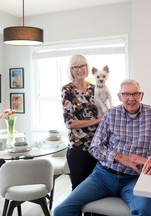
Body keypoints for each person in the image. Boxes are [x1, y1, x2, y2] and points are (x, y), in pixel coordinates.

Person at [54, 79, 151, 216]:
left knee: (146, 211)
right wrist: (120, 158)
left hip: (136, 179)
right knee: (61, 210)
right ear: (120, 97)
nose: (131, 99)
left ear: (141, 95)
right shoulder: (110, 115)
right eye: (126, 94)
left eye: (135, 94)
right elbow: (95, 147)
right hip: (102, 176)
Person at [61, 54, 102, 191]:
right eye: (75, 67)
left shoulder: (94, 88)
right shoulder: (67, 90)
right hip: (78, 148)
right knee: (78, 188)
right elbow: (70, 123)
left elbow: (101, 111)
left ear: (87, 67)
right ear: (71, 70)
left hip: (96, 146)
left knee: (96, 188)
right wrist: (96, 121)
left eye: (82, 66)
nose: (79, 69)